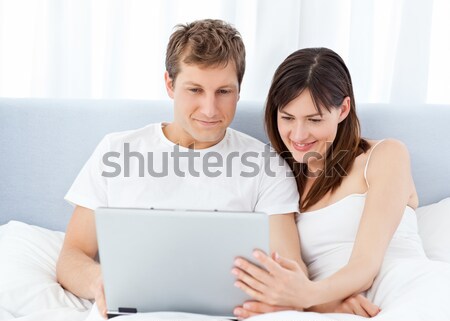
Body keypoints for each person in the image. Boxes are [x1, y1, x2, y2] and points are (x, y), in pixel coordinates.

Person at [56, 19, 303, 319]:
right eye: (195, 89)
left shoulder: (266, 166)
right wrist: (101, 283)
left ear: (239, 90)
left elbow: (291, 268)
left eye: (223, 91)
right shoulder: (117, 151)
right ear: (170, 85)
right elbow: (72, 257)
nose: (210, 109)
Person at [232, 47, 450, 320]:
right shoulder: (274, 175)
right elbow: (291, 268)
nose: (298, 134)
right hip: (328, 308)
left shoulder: (385, 155)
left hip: (406, 289)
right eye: (287, 117)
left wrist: (308, 297)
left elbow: (366, 265)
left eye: (314, 119)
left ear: (343, 109)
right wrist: (320, 306)